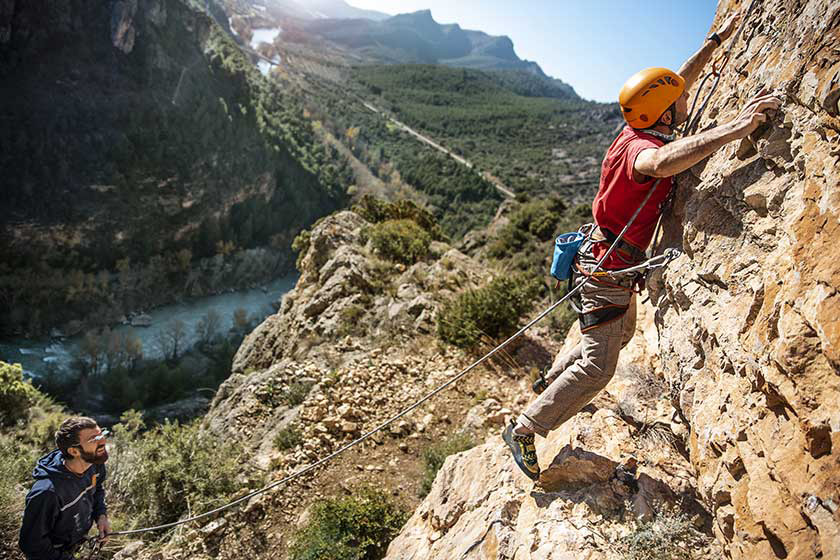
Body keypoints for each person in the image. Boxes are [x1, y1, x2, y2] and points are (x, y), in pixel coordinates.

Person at [503, 13, 782, 481]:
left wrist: (712, 47)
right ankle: (527, 427)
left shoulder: (636, 128)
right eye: (679, 103)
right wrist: (737, 127)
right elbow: (661, 162)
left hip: (604, 259)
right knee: (598, 367)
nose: (686, 103)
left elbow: (669, 89)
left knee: (619, 332)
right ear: (664, 115)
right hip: (608, 266)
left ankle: (551, 382)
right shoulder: (642, 150)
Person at [19, 417, 111, 559]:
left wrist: (101, 515)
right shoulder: (47, 493)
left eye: (102, 434)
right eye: (94, 439)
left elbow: (97, 489)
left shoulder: (94, 462)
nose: (103, 441)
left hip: (72, 546)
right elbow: (32, 545)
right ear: (74, 451)